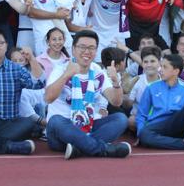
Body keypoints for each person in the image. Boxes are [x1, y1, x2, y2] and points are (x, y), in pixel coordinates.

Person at [44, 30, 131, 159]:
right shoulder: (61, 69)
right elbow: (48, 98)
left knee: (121, 119)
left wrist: (116, 83)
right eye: (82, 47)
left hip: (89, 125)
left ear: (96, 51)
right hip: (63, 131)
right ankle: (104, 149)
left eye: (91, 48)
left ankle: (79, 148)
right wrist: (67, 75)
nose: (87, 51)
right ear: (73, 49)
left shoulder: (97, 70)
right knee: (56, 121)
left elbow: (116, 102)